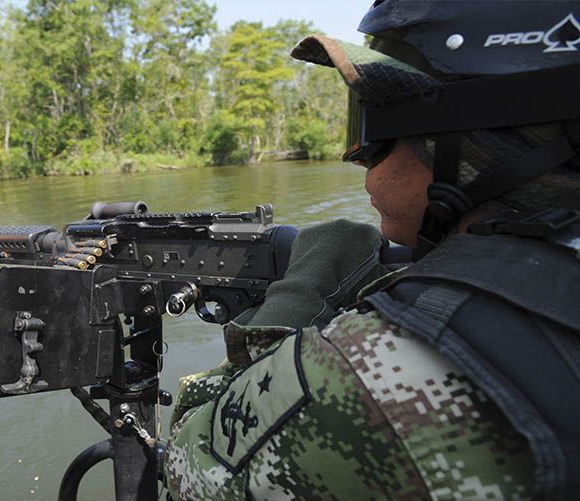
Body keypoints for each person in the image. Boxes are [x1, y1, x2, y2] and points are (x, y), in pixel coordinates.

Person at [165, 1, 580, 499]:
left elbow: (191, 464)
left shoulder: (384, 367)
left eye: (377, 125)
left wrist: (299, 294)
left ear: (466, 137)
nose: (357, 155)